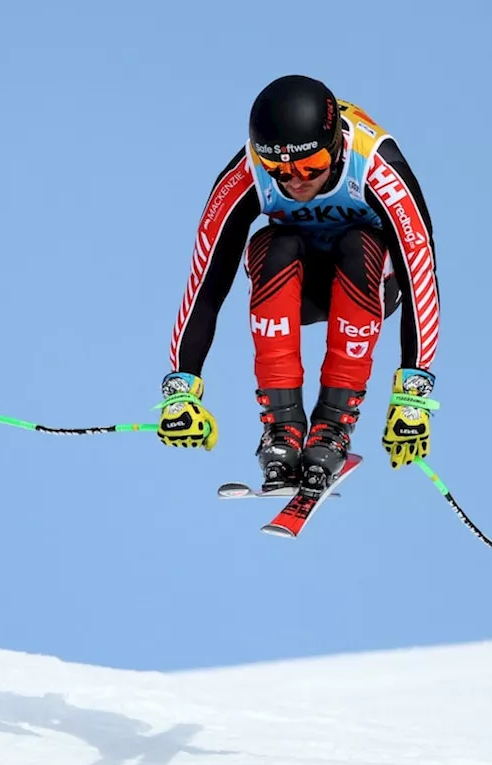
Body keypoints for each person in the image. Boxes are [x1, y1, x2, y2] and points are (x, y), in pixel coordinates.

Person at [155, 74, 441, 494]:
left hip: (373, 283)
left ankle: (332, 427)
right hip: (298, 287)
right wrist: (182, 385)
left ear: (337, 148)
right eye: (280, 171)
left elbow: (420, 274)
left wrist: (413, 393)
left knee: (360, 242)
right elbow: (207, 278)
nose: (295, 182)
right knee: (274, 244)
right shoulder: (247, 174)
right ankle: (281, 431)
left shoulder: (378, 168)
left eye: (312, 168)